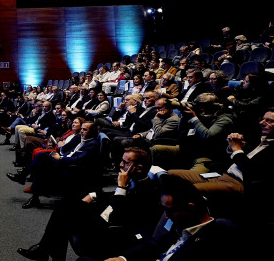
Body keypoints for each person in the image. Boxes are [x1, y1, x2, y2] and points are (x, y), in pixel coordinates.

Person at [16, 148, 163, 261]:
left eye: (126, 163)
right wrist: (94, 195)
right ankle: (46, 252)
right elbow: (113, 196)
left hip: (112, 229)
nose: (120, 164)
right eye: (122, 160)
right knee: (65, 205)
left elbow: (120, 214)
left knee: (63, 217)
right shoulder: (133, 179)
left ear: (138, 167)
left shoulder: (147, 190)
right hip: (104, 215)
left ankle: (44, 251)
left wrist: (121, 187)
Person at [168, 108, 274, 224]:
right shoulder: (258, 138)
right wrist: (233, 145)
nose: (262, 123)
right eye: (262, 119)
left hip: (240, 184)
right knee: (171, 174)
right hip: (222, 174)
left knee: (190, 192)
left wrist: (237, 149)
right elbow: (230, 156)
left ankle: (181, 229)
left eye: (269, 121)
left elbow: (253, 172)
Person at [102, 174, 241, 261]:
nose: (166, 216)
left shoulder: (214, 239)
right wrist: (123, 258)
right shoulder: (181, 222)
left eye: (169, 211)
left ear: (190, 208)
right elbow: (155, 245)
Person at [7, 121, 102, 208]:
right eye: (81, 128)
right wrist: (60, 154)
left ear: (92, 132)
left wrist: (60, 158)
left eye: (84, 129)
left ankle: (23, 177)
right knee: (41, 164)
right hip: (64, 161)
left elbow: (79, 160)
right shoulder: (81, 139)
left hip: (70, 169)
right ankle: (33, 196)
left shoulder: (93, 144)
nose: (81, 131)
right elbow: (68, 150)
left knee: (41, 157)